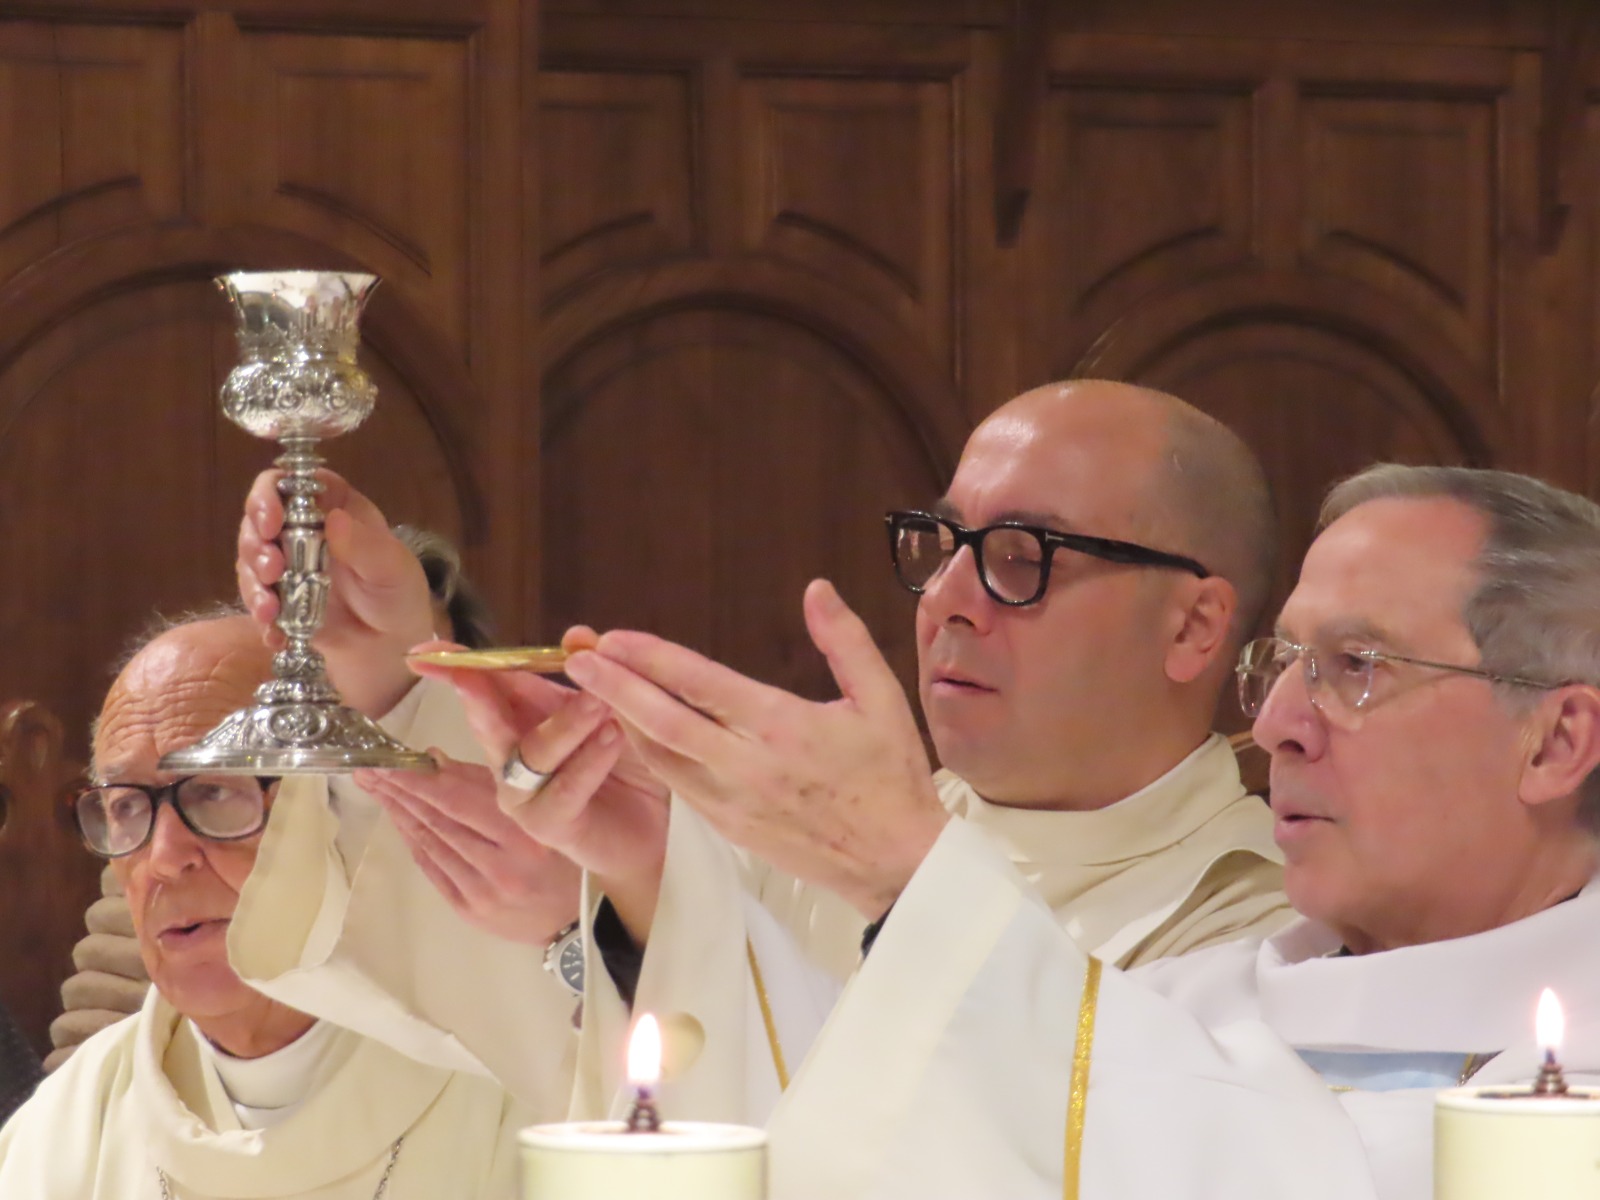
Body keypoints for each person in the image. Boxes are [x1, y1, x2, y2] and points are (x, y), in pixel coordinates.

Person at [227, 379, 1292, 1121]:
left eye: (1022, 556)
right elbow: (662, 1101)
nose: (949, 600)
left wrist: (904, 878)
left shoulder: (1266, 937)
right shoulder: (812, 840)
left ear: (1194, 627)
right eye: (943, 544)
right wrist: (389, 668)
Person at [698, 463, 1600, 1200]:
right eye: (1285, 662)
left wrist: (919, 882)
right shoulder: (1177, 1003)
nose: (1277, 724)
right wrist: (656, 888)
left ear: (1557, 742)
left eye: (1357, 666)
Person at [0, 613, 528, 1197]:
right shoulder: (67, 1130)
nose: (165, 858)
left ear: (342, 811)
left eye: (215, 790)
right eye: (126, 806)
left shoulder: (520, 1097)